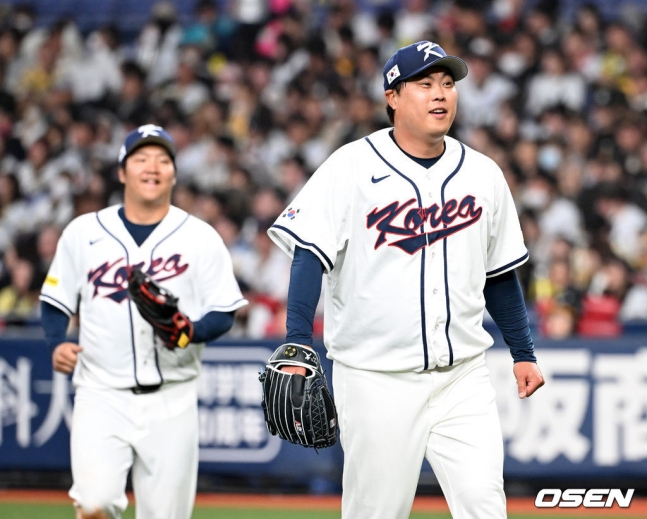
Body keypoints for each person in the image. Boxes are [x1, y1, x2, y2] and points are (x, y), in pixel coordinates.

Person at [267, 41, 545, 519]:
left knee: (485, 507)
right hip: (377, 379)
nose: (440, 94)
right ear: (392, 97)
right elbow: (308, 256)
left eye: (447, 84)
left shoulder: (482, 173)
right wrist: (297, 341)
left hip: (463, 378)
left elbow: (499, 274)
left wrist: (523, 352)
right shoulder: (350, 166)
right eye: (425, 84)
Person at [39, 124, 248, 519]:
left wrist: (191, 333)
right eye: (141, 158)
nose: (152, 166)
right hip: (100, 393)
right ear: (121, 172)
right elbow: (54, 301)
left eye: (163, 159)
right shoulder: (83, 232)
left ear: (173, 172)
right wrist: (55, 342)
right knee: (94, 503)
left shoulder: (199, 237)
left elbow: (224, 311)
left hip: (173, 397)